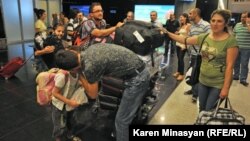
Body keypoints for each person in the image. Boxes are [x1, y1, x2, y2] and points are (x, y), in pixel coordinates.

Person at [55, 43, 150, 141]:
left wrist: (79, 73)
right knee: (124, 112)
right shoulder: (90, 49)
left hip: (137, 80)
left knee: (121, 121)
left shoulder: (89, 67)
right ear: (73, 52)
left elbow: (93, 95)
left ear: (72, 69)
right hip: (137, 67)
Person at [165, 9, 238, 111]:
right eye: (213, 20)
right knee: (202, 108)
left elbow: (230, 66)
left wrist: (226, 88)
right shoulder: (204, 37)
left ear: (225, 23)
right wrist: (167, 32)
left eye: (219, 21)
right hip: (203, 81)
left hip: (218, 84)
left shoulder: (230, 41)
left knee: (209, 110)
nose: (215, 24)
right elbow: (184, 40)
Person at [185, 8, 211, 103]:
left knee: (198, 74)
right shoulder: (192, 26)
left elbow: (210, 41)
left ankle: (196, 94)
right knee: (193, 73)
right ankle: (193, 90)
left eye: (190, 13)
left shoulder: (206, 25)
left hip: (201, 56)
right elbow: (190, 39)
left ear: (196, 14)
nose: (189, 15)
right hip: (193, 54)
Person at [51, 68, 84, 141]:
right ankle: (58, 138)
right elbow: (54, 93)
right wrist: (69, 102)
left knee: (71, 120)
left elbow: (73, 83)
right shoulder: (62, 76)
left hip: (70, 103)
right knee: (59, 124)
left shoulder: (77, 73)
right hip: (59, 106)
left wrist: (80, 84)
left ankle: (70, 134)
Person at [233, 11, 250, 87]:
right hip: (237, 47)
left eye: (245, 17)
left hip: (246, 48)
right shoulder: (237, 25)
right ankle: (236, 75)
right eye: (242, 17)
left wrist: (248, 24)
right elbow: (234, 34)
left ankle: (243, 79)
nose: (243, 18)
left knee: (244, 64)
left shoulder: (249, 25)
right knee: (236, 63)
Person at [172, 13, 191, 81]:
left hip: (183, 45)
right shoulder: (181, 25)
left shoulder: (189, 25)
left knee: (181, 59)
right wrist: (177, 33)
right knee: (178, 59)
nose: (180, 19)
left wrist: (186, 46)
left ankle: (182, 74)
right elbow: (181, 34)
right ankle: (178, 71)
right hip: (178, 44)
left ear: (186, 17)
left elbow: (189, 36)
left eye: (182, 17)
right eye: (180, 18)